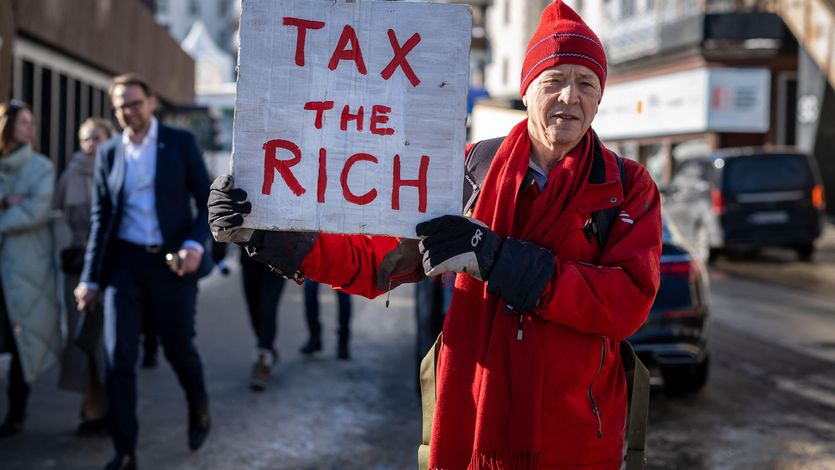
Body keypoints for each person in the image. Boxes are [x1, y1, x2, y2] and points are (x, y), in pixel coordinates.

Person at [208, 2, 662, 468]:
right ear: (526, 91)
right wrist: (266, 234)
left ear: (600, 96)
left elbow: (626, 302)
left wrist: (496, 258)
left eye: (586, 83)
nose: (570, 97)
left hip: (578, 436)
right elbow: (374, 260)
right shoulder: (465, 170)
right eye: (553, 81)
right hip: (472, 417)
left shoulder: (626, 187)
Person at [74, 73, 213, 470]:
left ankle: (198, 403)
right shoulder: (111, 153)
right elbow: (101, 218)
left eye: (135, 103)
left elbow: (206, 202)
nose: (128, 111)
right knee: (119, 360)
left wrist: (192, 245)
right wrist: (90, 277)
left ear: (151, 102)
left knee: (179, 349)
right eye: (120, 105)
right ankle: (125, 451)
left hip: (171, 263)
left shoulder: (180, 143)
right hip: (125, 265)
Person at [0, 100, 62, 437]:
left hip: (26, 269)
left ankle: (16, 414)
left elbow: (33, 211)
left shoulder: (40, 166)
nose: (30, 128)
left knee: (21, 340)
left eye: (31, 122)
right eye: (23, 122)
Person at [53, 117, 114, 436]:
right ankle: (91, 405)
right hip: (75, 268)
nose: (92, 145)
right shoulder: (69, 175)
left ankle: (107, 405)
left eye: (98, 138)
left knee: (105, 339)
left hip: (108, 266)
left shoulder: (117, 170)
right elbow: (57, 218)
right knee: (80, 338)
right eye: (86, 139)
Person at [239, 248, 286, 391]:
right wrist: (218, 250)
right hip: (249, 255)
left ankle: (263, 358)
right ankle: (267, 346)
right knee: (253, 308)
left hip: (279, 257)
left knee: (268, 307)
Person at [299, 280, 352, 360]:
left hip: (337, 268)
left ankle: (343, 340)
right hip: (316, 267)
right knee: (309, 291)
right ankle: (314, 337)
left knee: (343, 293)